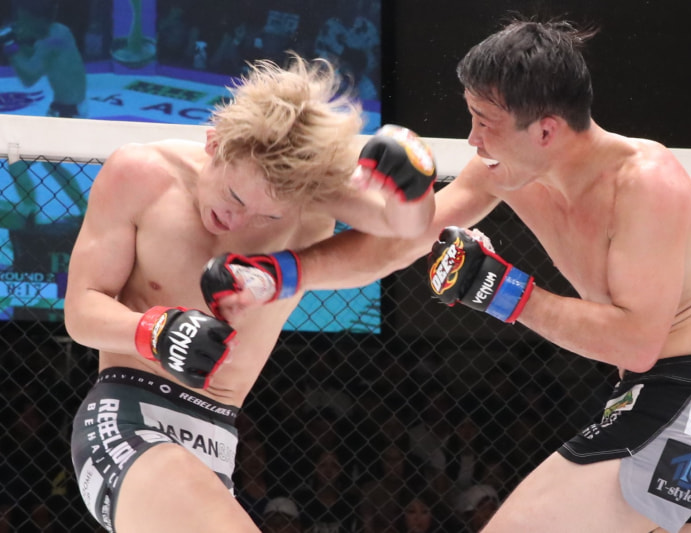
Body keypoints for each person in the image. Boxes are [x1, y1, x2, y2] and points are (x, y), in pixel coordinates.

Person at [214, 17, 691, 533]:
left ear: (546, 131)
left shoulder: (645, 184)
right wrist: (284, 272)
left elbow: (637, 342)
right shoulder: (507, 173)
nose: (472, 139)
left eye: (484, 122)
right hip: (688, 413)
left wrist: (505, 292)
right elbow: (405, 242)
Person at [64, 52, 437, 533]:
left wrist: (413, 186)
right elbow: (81, 311)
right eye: (235, 197)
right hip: (127, 416)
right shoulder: (141, 174)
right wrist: (154, 331)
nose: (238, 222)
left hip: (218, 442)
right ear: (215, 143)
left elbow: (404, 230)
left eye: (267, 217)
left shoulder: (303, 199)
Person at [0, 0, 88, 221]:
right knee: (50, 164)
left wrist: (10, 45)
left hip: (66, 113)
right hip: (66, 109)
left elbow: (29, 77)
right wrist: (20, 42)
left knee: (17, 161)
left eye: (24, 19)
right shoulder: (61, 31)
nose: (20, 23)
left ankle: (29, 209)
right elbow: (40, 55)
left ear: (36, 19)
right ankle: (84, 208)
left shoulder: (50, 41)